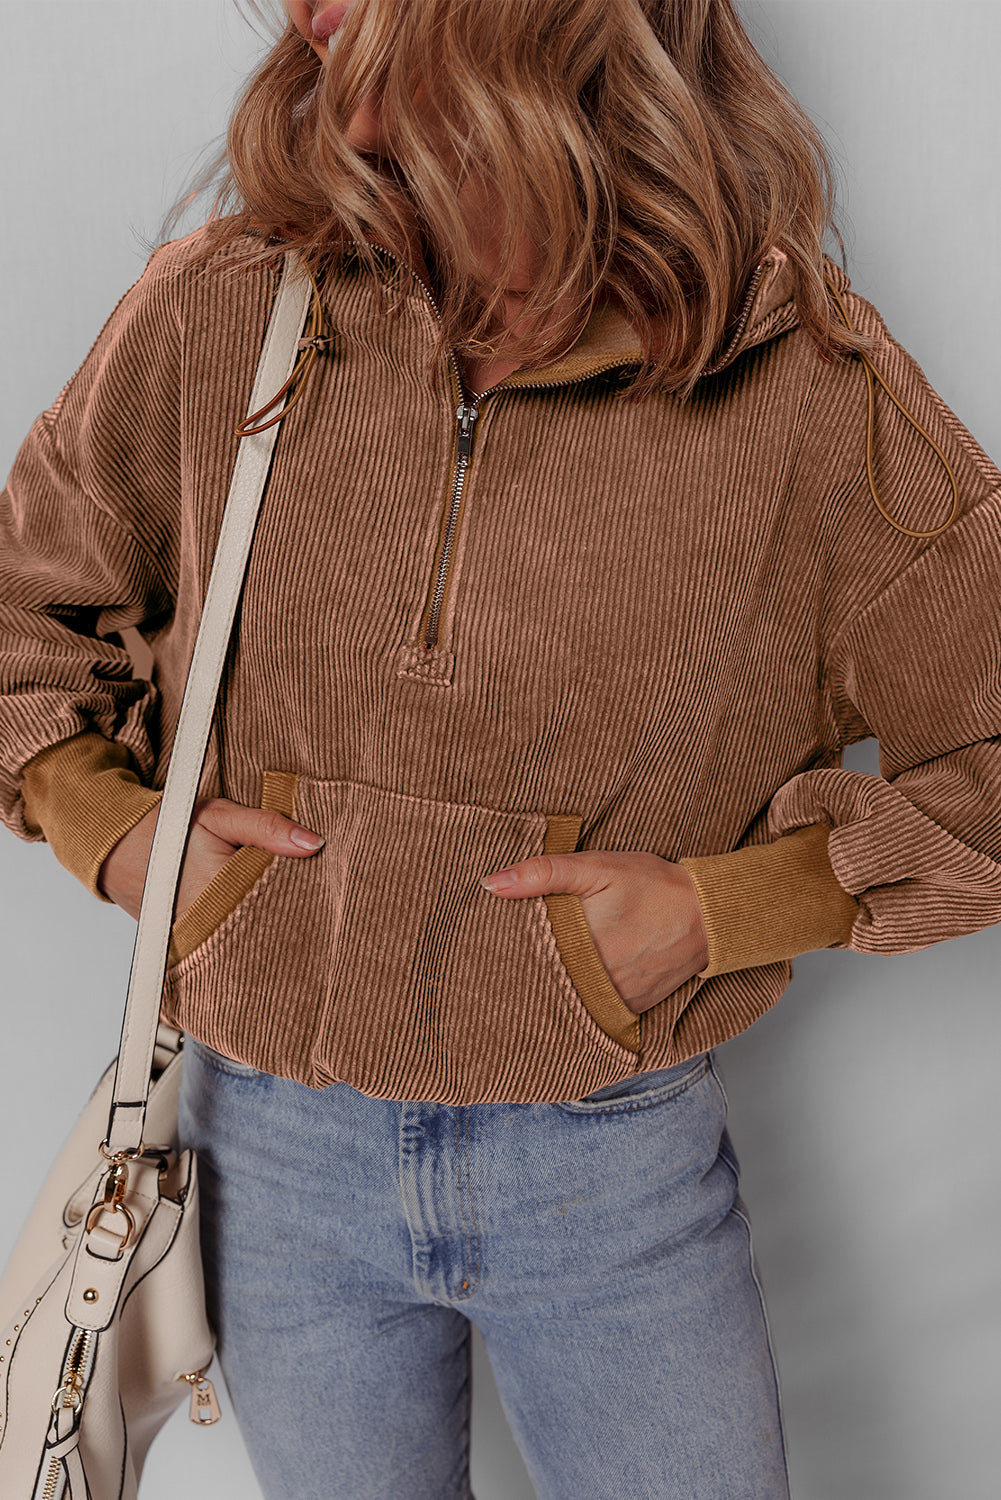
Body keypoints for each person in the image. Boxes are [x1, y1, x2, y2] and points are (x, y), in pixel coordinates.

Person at [2, 1, 1000, 1495]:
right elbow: (21, 614)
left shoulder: (793, 375)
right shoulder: (227, 306)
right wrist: (119, 834)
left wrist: (718, 911)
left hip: (611, 1166)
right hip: (272, 1149)